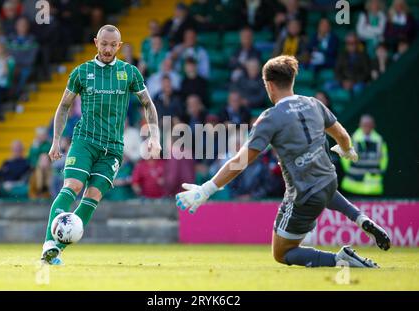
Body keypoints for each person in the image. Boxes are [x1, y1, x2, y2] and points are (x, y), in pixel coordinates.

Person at [176, 55, 391, 268]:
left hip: (304, 195)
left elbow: (241, 161)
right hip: (329, 180)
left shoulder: (270, 117)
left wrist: (206, 189)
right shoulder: (314, 104)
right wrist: (347, 150)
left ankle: (341, 259)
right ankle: (361, 219)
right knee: (323, 186)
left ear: (269, 85)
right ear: (292, 81)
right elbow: (342, 136)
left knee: (282, 252)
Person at [41, 25, 161, 265]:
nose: (107, 49)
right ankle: (48, 244)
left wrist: (155, 138)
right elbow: (64, 106)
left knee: (93, 195)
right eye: (103, 43)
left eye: (112, 45)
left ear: (119, 45)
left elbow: (148, 104)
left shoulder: (130, 72)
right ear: (96, 42)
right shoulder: (81, 72)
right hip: (84, 140)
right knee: (73, 185)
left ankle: (58, 249)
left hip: (113, 148)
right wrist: (55, 140)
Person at [341, 115, 388, 196]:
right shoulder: (352, 139)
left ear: (373, 125)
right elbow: (345, 159)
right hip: (352, 187)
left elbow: (384, 160)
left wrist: (378, 171)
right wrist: (352, 171)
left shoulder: (379, 140)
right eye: (364, 124)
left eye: (369, 124)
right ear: (360, 125)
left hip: (374, 188)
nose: (367, 126)